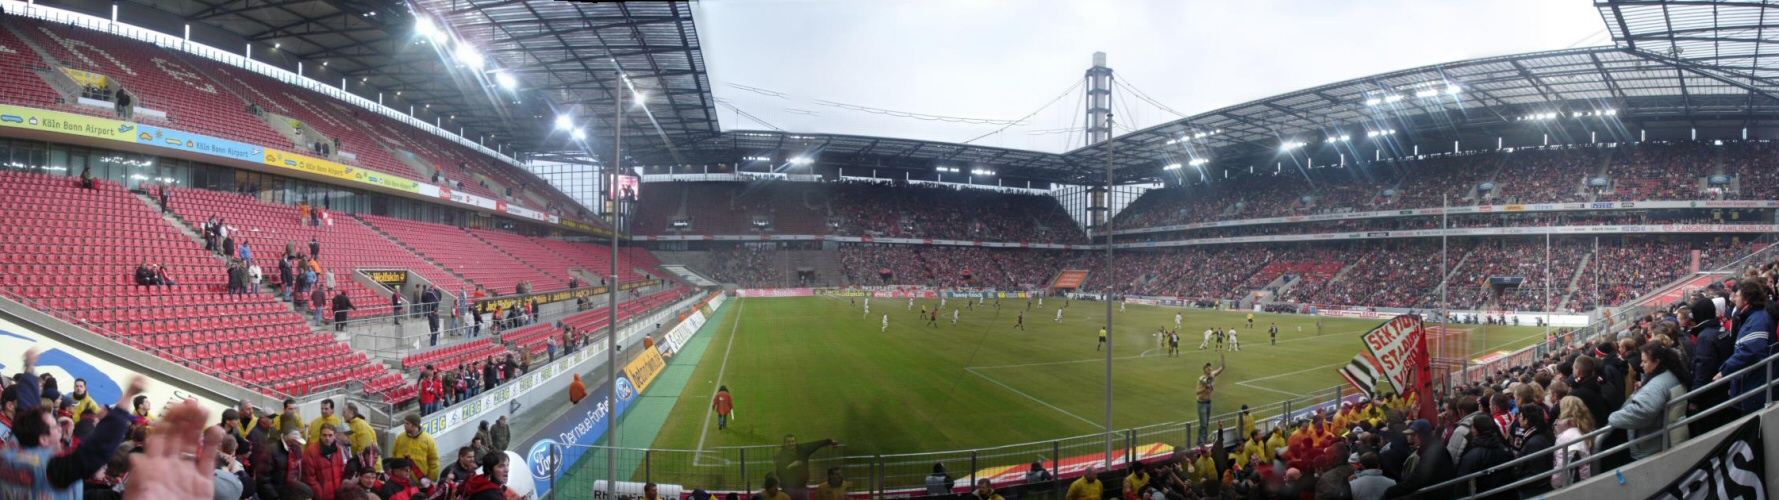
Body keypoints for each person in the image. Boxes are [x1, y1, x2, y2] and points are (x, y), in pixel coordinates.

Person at [0, 348, 139, 497]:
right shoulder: (52, 469)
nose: (59, 428)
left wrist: (29, 367)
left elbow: (26, 406)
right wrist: (129, 395)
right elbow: (98, 449)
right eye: (54, 427)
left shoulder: (15, 444)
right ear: (44, 439)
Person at [1608, 343, 1691, 460]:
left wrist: (1612, 418)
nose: (1641, 365)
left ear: (1656, 362)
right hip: (1663, 438)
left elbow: (1643, 412)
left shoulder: (1657, 385)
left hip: (1652, 446)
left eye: (1645, 362)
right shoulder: (1671, 374)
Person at [1716, 280, 1776, 418]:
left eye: (1737, 295)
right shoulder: (1753, 317)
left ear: (1747, 299)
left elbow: (1751, 351)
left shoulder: (1757, 320)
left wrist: (1725, 370)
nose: (1734, 298)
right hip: (1750, 385)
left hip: (1754, 390)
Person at [1551, 396, 1597, 488]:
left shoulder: (1570, 435)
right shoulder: (1584, 427)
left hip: (1574, 484)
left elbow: (1562, 463)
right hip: (1581, 481)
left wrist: (1555, 484)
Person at [775, 434, 837, 500]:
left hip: (802, 487)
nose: (791, 443)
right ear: (784, 444)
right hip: (788, 489)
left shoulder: (803, 449)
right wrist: (790, 466)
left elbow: (815, 445)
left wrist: (829, 441)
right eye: (788, 442)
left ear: (795, 442)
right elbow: (779, 472)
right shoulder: (781, 455)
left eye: (792, 441)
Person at [255, 429, 307, 500]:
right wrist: (275, 497)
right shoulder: (270, 451)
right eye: (295, 441)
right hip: (276, 495)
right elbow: (262, 478)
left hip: (291, 494)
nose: (298, 444)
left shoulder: (297, 451)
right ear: (286, 438)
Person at [302, 425, 350, 500]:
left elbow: (341, 469)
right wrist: (320, 494)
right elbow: (309, 478)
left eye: (330, 435)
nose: (327, 438)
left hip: (337, 494)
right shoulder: (311, 451)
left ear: (335, 436)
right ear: (320, 436)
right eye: (324, 435)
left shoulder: (338, 448)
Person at [390, 414, 438, 482]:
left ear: (414, 425)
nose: (404, 425)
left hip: (420, 482)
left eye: (407, 423)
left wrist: (431, 480)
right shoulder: (400, 438)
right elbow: (394, 456)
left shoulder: (428, 440)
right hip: (401, 481)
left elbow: (434, 461)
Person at [1195, 353, 1226, 445]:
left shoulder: (1212, 375)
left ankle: (1204, 440)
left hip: (1208, 403)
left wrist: (1222, 358)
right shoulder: (1201, 379)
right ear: (1204, 370)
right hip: (1202, 403)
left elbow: (1222, 368)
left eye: (1210, 368)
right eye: (1208, 368)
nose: (1210, 369)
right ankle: (1200, 441)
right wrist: (1205, 388)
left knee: (1206, 423)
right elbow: (1197, 392)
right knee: (1203, 424)